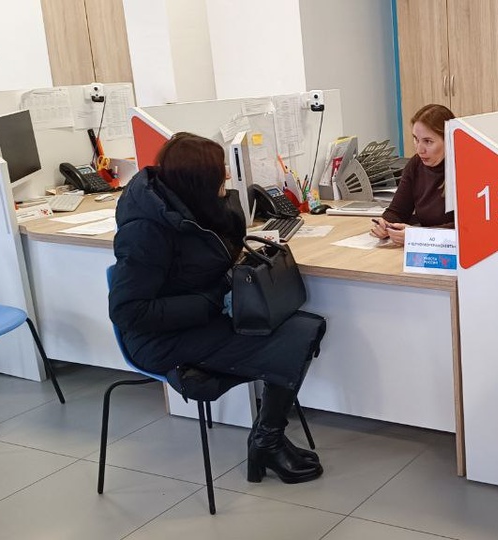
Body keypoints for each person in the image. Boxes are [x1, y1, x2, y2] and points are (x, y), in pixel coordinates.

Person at [109, 133, 326, 485]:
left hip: (202, 317)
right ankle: (266, 442)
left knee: (303, 327)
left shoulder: (193, 204)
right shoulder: (145, 231)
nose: (226, 174)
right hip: (160, 338)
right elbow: (129, 312)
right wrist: (214, 302)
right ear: (197, 180)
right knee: (294, 337)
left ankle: (265, 435)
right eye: (218, 171)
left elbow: (210, 255)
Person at [371, 104, 456, 244]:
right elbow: (397, 211)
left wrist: (418, 235)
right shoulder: (416, 164)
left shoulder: (464, 169)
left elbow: (465, 227)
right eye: (416, 139)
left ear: (448, 139)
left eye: (428, 141)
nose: (419, 149)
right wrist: (385, 224)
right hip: (424, 248)